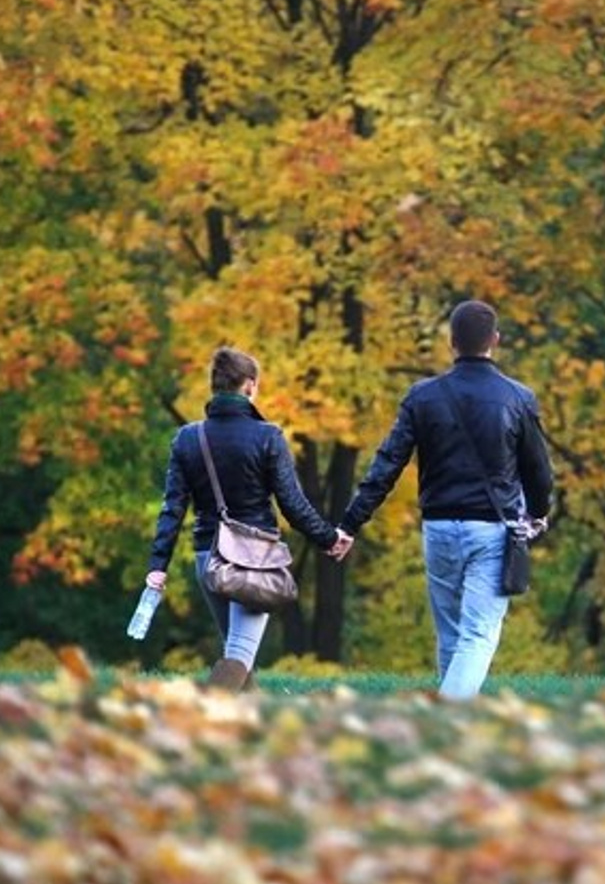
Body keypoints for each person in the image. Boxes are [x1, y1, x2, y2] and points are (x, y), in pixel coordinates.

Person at [334, 299, 554, 698]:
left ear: (452, 342)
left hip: (437, 529)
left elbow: (387, 464)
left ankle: (447, 732)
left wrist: (350, 523)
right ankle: (442, 715)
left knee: (451, 634)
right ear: (495, 340)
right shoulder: (518, 398)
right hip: (491, 530)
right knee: (478, 635)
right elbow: (538, 471)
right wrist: (539, 514)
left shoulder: (423, 397)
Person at [144, 347, 353, 690]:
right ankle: (201, 722)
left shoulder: (188, 438)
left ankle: (248, 733)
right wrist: (329, 538)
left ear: (215, 386)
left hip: (207, 559)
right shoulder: (267, 436)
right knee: (240, 653)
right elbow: (293, 504)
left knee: (238, 654)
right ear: (250, 386)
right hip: (252, 560)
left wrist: (158, 564)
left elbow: (173, 508)